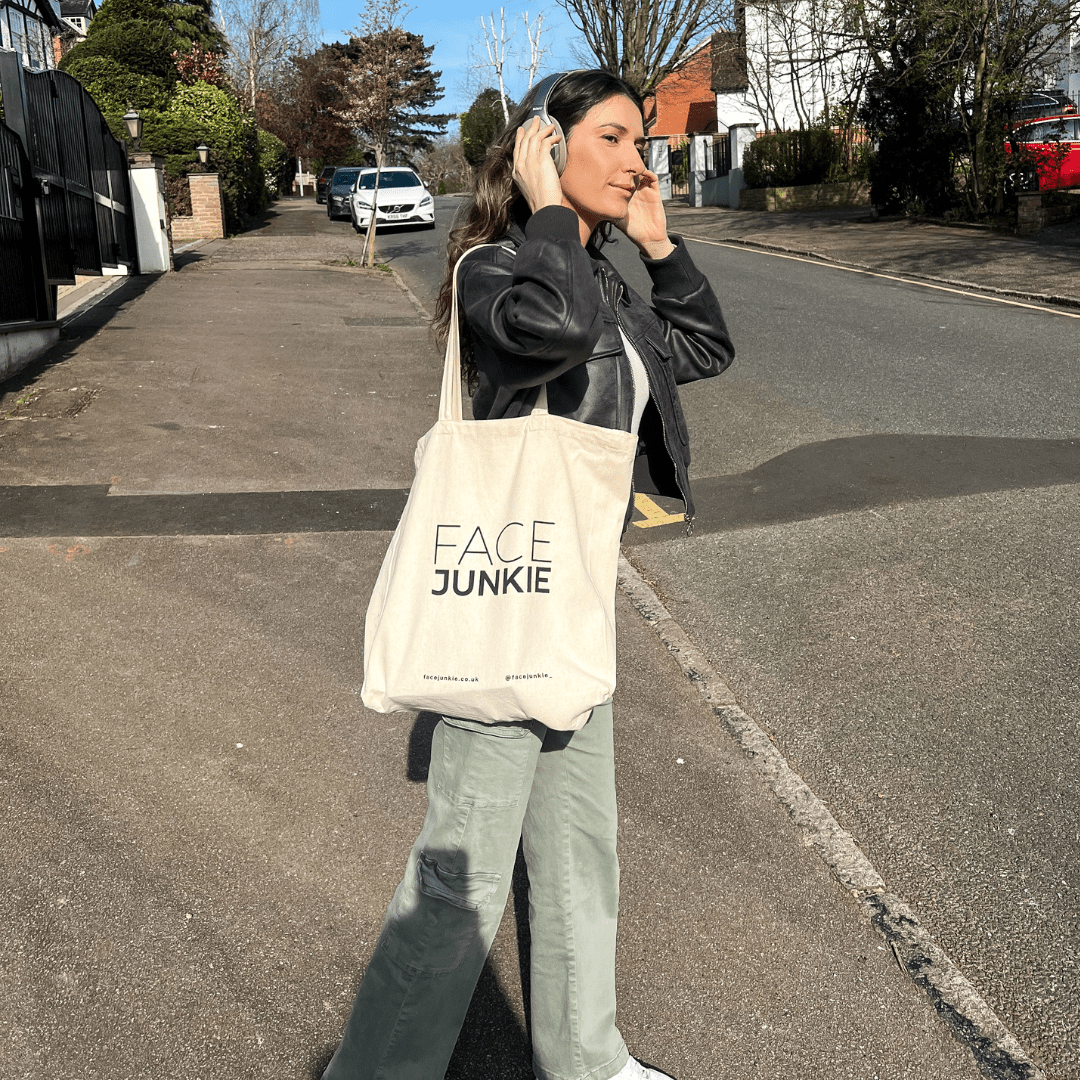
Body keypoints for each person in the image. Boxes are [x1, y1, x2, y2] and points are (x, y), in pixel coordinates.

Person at [323, 70, 733, 1080]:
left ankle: (587, 1060)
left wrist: (658, 245)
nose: (637, 161)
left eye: (641, 140)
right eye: (612, 138)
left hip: (575, 605)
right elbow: (548, 333)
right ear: (544, 146)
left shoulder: (597, 274)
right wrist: (549, 210)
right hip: (505, 604)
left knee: (581, 850)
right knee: (458, 879)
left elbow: (701, 347)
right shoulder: (495, 269)